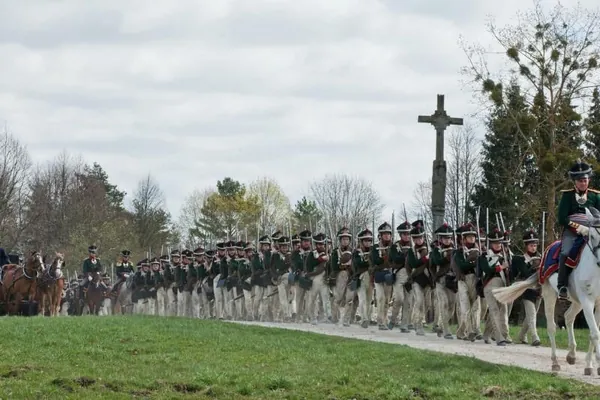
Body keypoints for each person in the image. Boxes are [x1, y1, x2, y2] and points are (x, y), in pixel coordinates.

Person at [557, 159, 600, 299]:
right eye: (580, 180)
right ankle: (562, 285)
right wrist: (578, 227)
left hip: (593, 230)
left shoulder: (595, 195)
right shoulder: (567, 195)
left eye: (585, 180)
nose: (583, 183)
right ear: (575, 181)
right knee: (566, 251)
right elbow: (562, 218)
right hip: (572, 232)